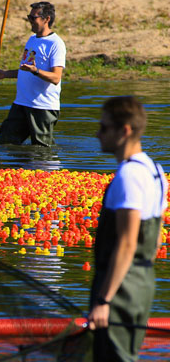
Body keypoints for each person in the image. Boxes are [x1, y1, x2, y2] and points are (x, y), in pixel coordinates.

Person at [88, 96, 168, 361]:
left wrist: (104, 301)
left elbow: (127, 243)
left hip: (119, 289)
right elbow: (154, 241)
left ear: (125, 131)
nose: (98, 134)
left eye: (104, 128)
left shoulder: (128, 176)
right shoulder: (156, 172)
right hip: (142, 285)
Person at [0, 1, 66, 146]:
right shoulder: (31, 40)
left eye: (33, 18)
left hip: (42, 106)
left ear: (46, 19)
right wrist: (4, 74)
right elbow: (25, 70)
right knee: (5, 142)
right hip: (21, 103)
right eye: (29, 17)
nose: (30, 21)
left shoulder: (55, 44)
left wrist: (36, 71)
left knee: (41, 149)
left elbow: (56, 78)